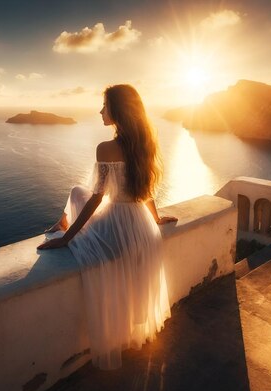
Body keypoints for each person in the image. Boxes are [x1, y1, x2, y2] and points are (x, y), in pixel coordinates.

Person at [37, 84, 177, 370]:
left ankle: (61, 225)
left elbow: (98, 197)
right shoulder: (144, 144)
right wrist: (156, 219)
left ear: (117, 109)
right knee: (78, 190)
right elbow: (146, 191)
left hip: (116, 222)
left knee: (79, 194)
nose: (100, 111)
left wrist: (68, 239)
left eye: (105, 106)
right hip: (141, 226)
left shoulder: (106, 147)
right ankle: (62, 222)